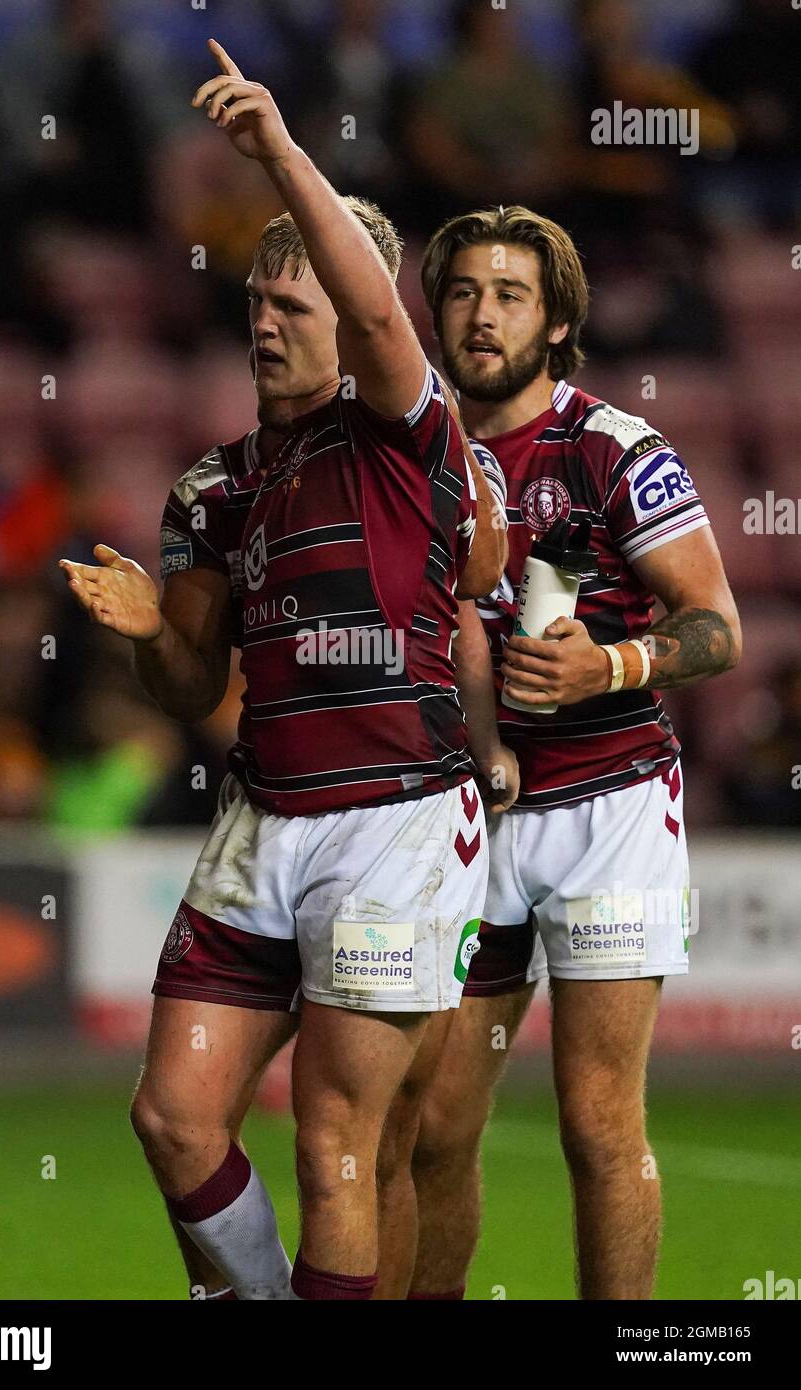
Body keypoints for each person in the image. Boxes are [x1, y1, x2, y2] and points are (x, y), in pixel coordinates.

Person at [61, 40, 507, 1300]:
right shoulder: (213, 487)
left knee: (335, 1148)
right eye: (255, 304)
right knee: (175, 1116)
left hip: (393, 823)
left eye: (292, 304)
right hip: (265, 818)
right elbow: (193, 692)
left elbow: (379, 311)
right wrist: (154, 634)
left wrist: (275, 153)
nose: (266, 322)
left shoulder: (403, 429)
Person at [379, 204, 741, 1300]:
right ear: (431, 312)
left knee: (595, 1120)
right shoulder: (406, 457)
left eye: (509, 295)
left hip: (609, 808)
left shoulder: (613, 450)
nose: (481, 315)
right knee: (435, 1126)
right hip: (466, 816)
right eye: (461, 292)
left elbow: (715, 628)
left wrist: (608, 667)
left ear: (555, 322)